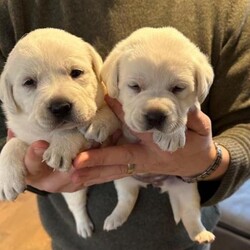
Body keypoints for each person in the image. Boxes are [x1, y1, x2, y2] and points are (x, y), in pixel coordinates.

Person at [0, 0, 250, 249]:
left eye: (76, 72)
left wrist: (212, 162)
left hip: (182, 242)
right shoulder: (12, 8)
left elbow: (244, 124)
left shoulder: (228, 8)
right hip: (70, 239)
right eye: (135, 86)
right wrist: (21, 167)